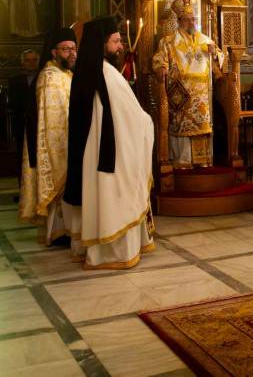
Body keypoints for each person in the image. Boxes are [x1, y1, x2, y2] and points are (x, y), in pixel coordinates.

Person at [64, 15, 155, 269]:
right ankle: (113, 252)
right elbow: (131, 118)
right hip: (110, 155)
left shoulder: (85, 71)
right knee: (112, 197)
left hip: (91, 155)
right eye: (115, 41)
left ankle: (91, 248)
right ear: (102, 44)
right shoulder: (107, 74)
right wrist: (148, 122)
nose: (120, 47)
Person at [18, 29, 76, 246]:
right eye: (66, 49)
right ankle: (59, 233)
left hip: (69, 138)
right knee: (59, 186)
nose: (71, 53)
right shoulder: (50, 77)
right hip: (58, 143)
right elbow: (53, 119)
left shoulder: (66, 73)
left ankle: (65, 231)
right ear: (54, 52)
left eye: (74, 48)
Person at [153, 0, 224, 169]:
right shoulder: (168, 41)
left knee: (202, 125)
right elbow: (159, 59)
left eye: (193, 19)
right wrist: (161, 68)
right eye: (188, 20)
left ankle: (202, 159)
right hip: (180, 94)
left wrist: (215, 53)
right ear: (179, 21)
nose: (192, 23)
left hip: (202, 95)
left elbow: (221, 60)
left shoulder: (205, 40)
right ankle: (182, 161)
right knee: (182, 125)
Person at [9, 49, 39, 195]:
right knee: (22, 158)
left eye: (34, 60)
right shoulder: (14, 80)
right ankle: (24, 192)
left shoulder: (43, 77)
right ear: (22, 63)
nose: (31, 63)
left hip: (39, 125)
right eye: (28, 60)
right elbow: (14, 103)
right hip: (22, 125)